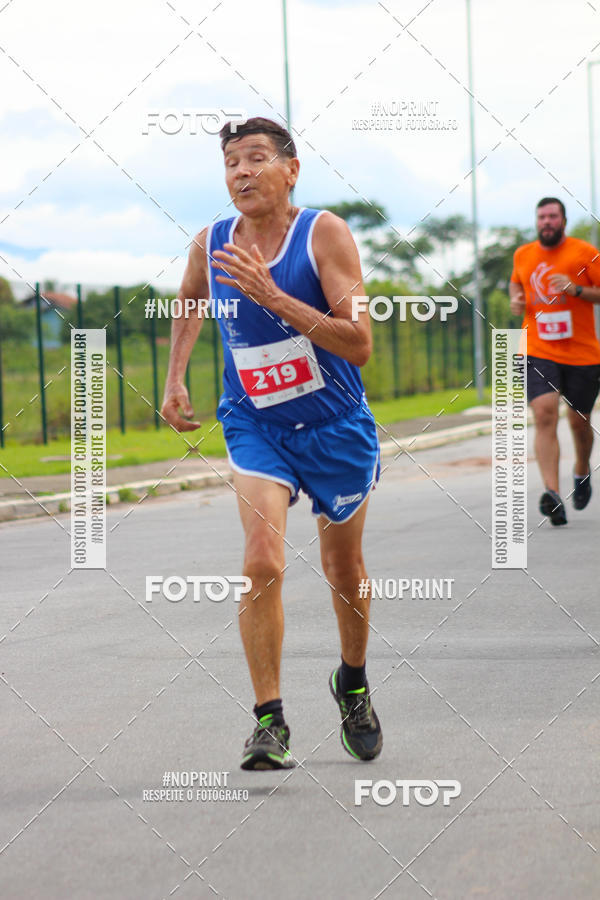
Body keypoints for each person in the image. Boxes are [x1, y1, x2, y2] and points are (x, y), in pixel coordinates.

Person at [161, 116, 382, 769]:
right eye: (231, 162)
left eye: (256, 158)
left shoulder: (325, 234)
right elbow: (190, 300)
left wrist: (274, 296)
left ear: (291, 169)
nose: (241, 172)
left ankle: (353, 682)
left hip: (337, 426)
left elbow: (359, 343)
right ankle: (270, 720)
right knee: (262, 560)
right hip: (255, 423)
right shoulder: (212, 241)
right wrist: (174, 379)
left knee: (344, 571)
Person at [510, 197, 600, 525]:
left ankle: (581, 470)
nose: (546, 222)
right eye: (541, 217)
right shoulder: (523, 254)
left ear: (563, 220)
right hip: (536, 347)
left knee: (579, 422)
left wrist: (576, 289)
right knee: (544, 413)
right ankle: (552, 493)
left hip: (582, 352)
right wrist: (515, 299)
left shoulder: (583, 252)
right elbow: (516, 281)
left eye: (552, 216)